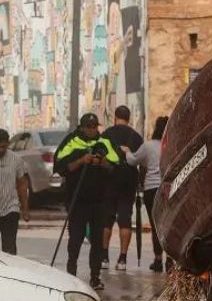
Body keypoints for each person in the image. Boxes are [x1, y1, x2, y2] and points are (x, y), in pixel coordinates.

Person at [54, 113, 120, 291]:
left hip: (99, 201)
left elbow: (117, 167)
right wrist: (82, 161)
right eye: (89, 127)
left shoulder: (104, 142)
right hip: (77, 200)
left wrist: (104, 163)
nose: (92, 130)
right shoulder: (72, 141)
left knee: (98, 240)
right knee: (75, 237)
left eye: (94, 127)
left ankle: (95, 276)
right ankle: (71, 272)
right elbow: (60, 167)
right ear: (82, 127)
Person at [101, 105, 144, 271]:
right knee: (125, 221)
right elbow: (141, 162)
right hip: (128, 183)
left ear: (115, 117)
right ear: (129, 118)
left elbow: (100, 157)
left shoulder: (106, 135)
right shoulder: (136, 137)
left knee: (107, 221)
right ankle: (123, 259)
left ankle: (104, 257)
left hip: (108, 182)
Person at [128, 116, 168, 273]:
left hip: (152, 189)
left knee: (156, 226)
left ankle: (158, 260)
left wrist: (126, 152)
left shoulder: (149, 146)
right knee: (168, 224)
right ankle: (170, 261)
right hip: (169, 189)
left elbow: (133, 160)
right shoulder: (172, 145)